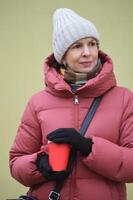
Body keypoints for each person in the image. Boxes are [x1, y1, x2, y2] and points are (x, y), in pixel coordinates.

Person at [9, 8, 133, 200]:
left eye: (92, 44)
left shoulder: (124, 99)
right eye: (77, 46)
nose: (87, 52)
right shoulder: (38, 102)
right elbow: (16, 163)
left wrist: (89, 147)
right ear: (62, 58)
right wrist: (39, 164)